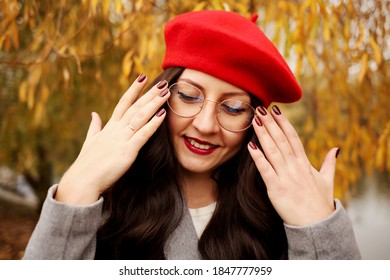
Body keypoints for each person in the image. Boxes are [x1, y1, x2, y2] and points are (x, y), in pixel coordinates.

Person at [23, 10, 361, 260]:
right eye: (188, 96)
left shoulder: (282, 221)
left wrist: (318, 229)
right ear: (162, 97)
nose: (205, 125)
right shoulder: (103, 206)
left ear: (257, 123)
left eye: (232, 108)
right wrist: (74, 194)